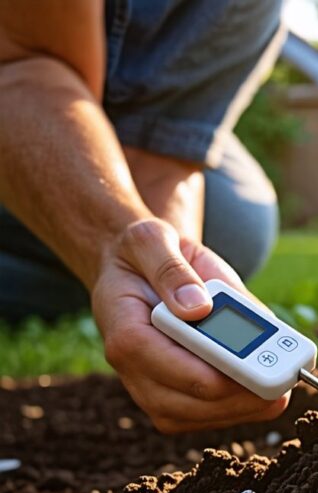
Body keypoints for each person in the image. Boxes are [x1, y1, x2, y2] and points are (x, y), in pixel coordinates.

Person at [0, 1, 290, 433]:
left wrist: (157, 273)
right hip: (15, 67)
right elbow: (18, 64)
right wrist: (107, 238)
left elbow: (168, 146)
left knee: (234, 224)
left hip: (103, 98)